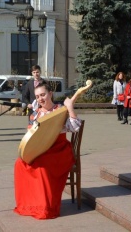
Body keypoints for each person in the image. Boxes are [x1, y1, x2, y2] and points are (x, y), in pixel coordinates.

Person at [14, 82, 82, 219]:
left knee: (41, 166)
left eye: (43, 94)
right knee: (20, 164)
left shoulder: (60, 110)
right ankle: (30, 204)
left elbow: (75, 127)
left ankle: (46, 207)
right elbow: (32, 137)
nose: (40, 98)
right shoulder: (36, 114)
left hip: (59, 150)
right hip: (42, 149)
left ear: (50, 94)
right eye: (37, 96)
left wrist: (70, 108)